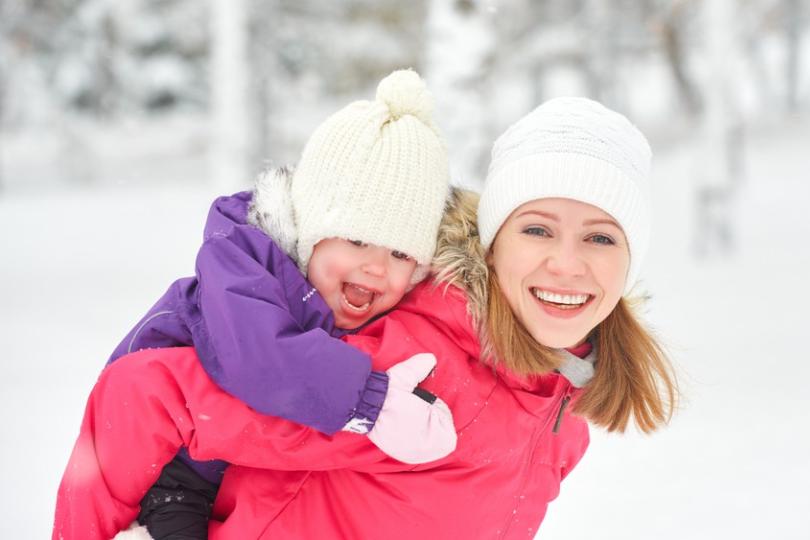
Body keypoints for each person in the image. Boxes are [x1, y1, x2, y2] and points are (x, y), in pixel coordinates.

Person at [54, 97, 677, 539]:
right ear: (491, 244)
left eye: (601, 238)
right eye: (537, 228)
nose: (567, 264)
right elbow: (144, 393)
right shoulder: (415, 372)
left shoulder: (562, 406)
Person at [58, 69, 456, 539]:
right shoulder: (244, 265)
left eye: (400, 253)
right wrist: (370, 400)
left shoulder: (361, 299)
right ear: (310, 232)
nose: (376, 267)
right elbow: (263, 359)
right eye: (357, 240)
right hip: (171, 474)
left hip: (231, 473)